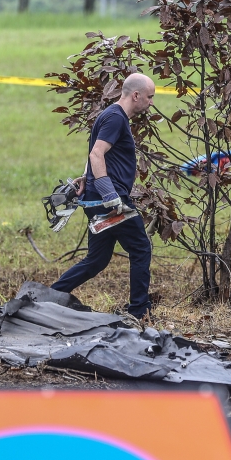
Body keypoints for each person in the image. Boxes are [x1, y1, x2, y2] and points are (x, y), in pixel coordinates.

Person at [51, 73, 157, 319]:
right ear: (136, 95)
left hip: (96, 199)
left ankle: (50, 297)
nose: (151, 102)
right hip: (109, 203)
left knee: (97, 260)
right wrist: (110, 195)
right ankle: (140, 312)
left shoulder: (110, 114)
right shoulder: (115, 118)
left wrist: (86, 178)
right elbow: (97, 154)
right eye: (150, 97)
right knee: (141, 248)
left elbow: (97, 154)